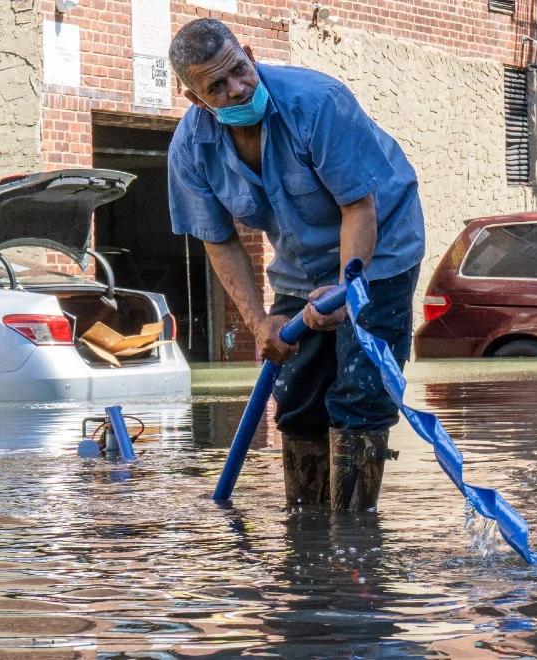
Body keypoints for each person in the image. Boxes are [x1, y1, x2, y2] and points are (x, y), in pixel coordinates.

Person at [167, 18, 425, 511]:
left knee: (359, 392)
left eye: (240, 70)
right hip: (300, 261)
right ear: (195, 99)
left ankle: (353, 533)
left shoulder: (318, 102)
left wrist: (348, 292)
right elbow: (218, 241)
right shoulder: (190, 149)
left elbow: (359, 207)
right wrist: (259, 322)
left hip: (380, 245)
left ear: (248, 51)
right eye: (217, 86)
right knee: (298, 396)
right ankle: (306, 533)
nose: (238, 89)